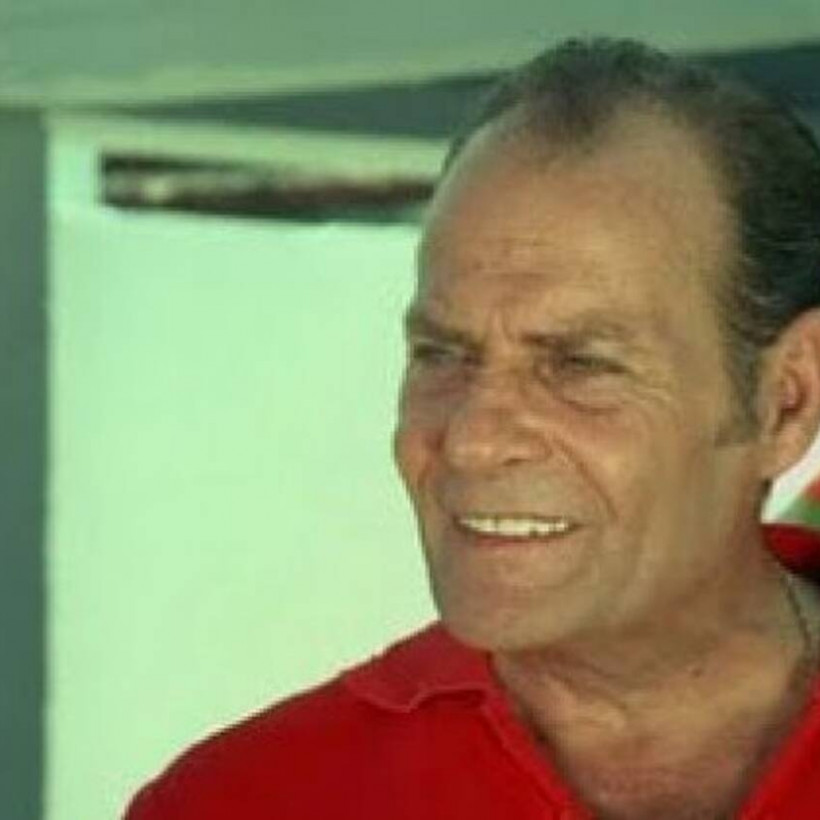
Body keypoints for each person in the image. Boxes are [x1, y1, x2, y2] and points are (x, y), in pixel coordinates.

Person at [124, 38, 820, 819]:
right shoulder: (240, 801)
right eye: (442, 354)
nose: (472, 440)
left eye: (578, 365)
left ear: (786, 401)